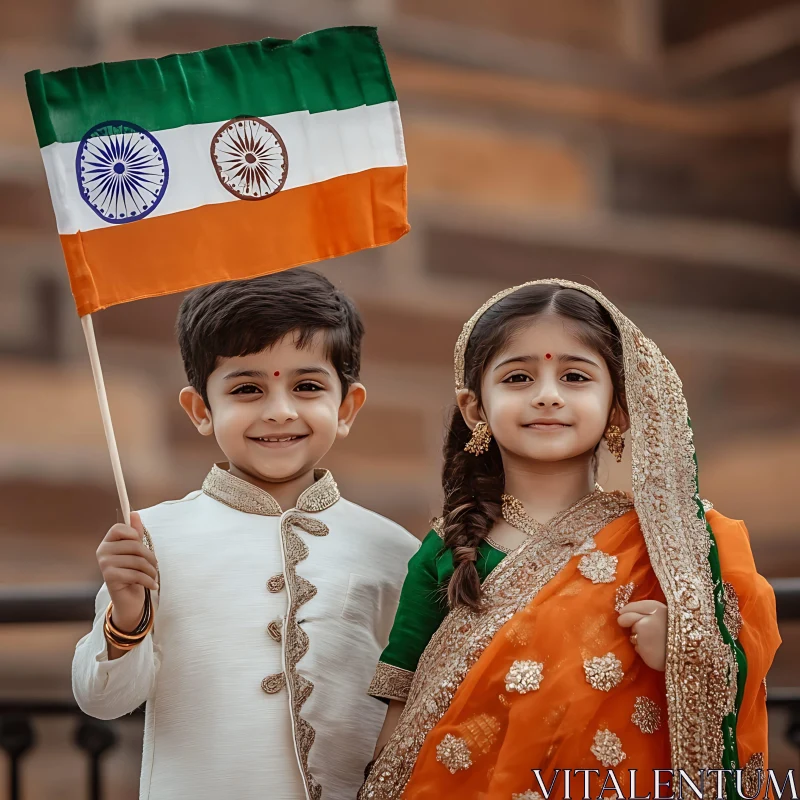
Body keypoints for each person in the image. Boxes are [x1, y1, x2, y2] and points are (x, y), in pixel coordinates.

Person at [361, 280, 780, 800]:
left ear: (619, 408)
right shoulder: (449, 548)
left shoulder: (672, 546)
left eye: (575, 376)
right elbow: (404, 704)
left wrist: (685, 648)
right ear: (474, 409)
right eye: (518, 377)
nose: (547, 394)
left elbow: (748, 649)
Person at [72, 268, 419, 800]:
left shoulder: (393, 549)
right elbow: (103, 701)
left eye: (306, 386)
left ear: (347, 408)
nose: (279, 411)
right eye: (247, 388)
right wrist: (125, 617)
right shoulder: (153, 537)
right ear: (200, 410)